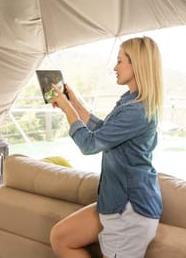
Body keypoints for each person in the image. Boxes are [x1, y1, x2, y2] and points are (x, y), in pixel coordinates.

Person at [49, 36, 164, 258]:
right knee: (61, 237)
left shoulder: (137, 111)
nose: (115, 67)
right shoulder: (130, 101)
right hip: (115, 201)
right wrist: (73, 103)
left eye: (120, 61)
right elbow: (105, 131)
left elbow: (90, 144)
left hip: (130, 210)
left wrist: (67, 110)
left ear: (137, 64)